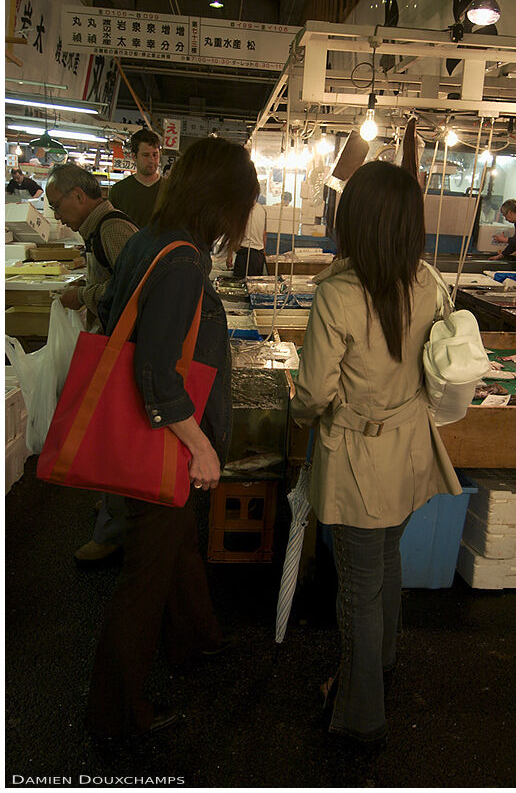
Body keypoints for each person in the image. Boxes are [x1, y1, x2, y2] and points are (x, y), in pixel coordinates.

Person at [86, 137, 259, 739]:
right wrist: (203, 445)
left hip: (143, 433)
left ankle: (197, 639)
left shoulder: (146, 239)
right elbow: (157, 377)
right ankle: (114, 714)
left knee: (175, 543)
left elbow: (110, 311)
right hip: (162, 439)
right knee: (145, 578)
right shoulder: (183, 261)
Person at [291, 160, 461, 744]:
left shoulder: (338, 295)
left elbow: (312, 393)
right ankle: (382, 663)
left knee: (358, 587)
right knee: (387, 560)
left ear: (354, 222)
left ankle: (361, 715)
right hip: (412, 450)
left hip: (360, 459)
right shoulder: (430, 282)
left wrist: (300, 413)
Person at [45, 164, 139, 564]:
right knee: (105, 437)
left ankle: (114, 530)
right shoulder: (97, 230)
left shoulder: (111, 229)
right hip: (111, 343)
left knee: (112, 440)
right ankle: (111, 510)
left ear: (79, 196)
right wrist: (85, 288)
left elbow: (131, 287)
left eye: (57, 205)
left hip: (120, 348)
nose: (55, 217)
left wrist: (84, 296)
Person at [109, 129, 164, 227]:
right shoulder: (119, 191)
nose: (152, 160)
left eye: (155, 154)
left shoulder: (172, 189)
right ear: (134, 156)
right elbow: (111, 225)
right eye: (146, 155)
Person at [231, 198, 267, 279]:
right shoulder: (262, 210)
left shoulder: (242, 209)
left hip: (245, 255)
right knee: (254, 285)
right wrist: (263, 252)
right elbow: (264, 233)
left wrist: (230, 255)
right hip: (258, 255)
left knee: (241, 285)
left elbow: (235, 232)